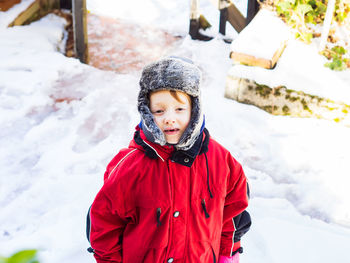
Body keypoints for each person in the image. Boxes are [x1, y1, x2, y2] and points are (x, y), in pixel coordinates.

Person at [86, 57, 251, 263]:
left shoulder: (221, 161)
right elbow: (104, 225)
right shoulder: (130, 167)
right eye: (159, 110)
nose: (169, 118)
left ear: (195, 109)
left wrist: (228, 254)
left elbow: (233, 215)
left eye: (179, 109)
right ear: (146, 112)